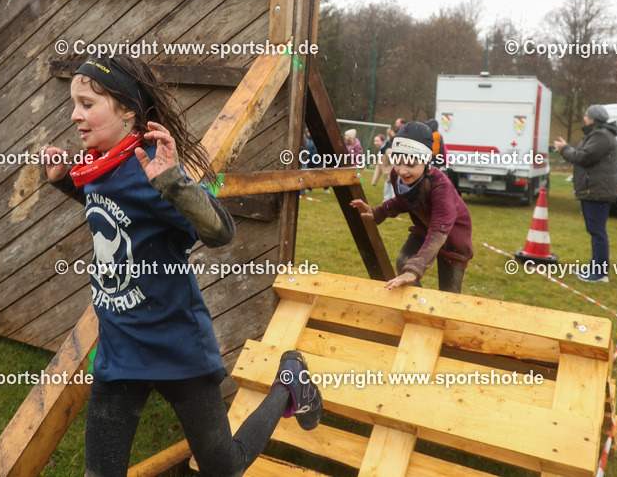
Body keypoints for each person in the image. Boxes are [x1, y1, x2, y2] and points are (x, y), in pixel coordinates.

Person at [41, 55, 322, 476]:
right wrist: (66, 178)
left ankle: (289, 385)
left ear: (127, 110)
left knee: (222, 467)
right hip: (120, 347)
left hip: (177, 348)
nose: (73, 114)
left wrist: (173, 182)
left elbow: (221, 231)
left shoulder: (153, 171)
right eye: (73, 103)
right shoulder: (98, 163)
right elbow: (119, 215)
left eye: (86, 103)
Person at [350, 121, 473, 293]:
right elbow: (401, 201)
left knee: (449, 295)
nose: (402, 171)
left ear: (426, 163)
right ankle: (420, 305)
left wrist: (416, 269)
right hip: (425, 227)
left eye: (411, 165)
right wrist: (377, 213)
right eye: (398, 162)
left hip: (452, 235)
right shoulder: (397, 175)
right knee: (404, 262)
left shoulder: (440, 186)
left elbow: (439, 231)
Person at [553, 105, 617, 283]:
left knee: (597, 232)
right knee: (594, 230)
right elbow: (584, 154)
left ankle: (600, 273)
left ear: (593, 118)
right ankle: (594, 266)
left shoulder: (601, 136)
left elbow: (584, 157)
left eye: (587, 115)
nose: (584, 117)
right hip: (595, 190)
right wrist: (567, 149)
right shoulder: (599, 134)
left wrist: (564, 149)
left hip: (597, 191)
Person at [371, 133, 395, 202]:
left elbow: (395, 164)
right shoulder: (381, 151)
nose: (375, 143)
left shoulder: (388, 150)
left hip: (392, 176)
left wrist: (391, 173)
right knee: (387, 193)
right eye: (375, 141)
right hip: (387, 176)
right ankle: (387, 205)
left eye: (377, 141)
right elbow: (379, 166)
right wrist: (374, 181)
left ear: (383, 141)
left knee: (393, 194)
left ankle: (392, 207)